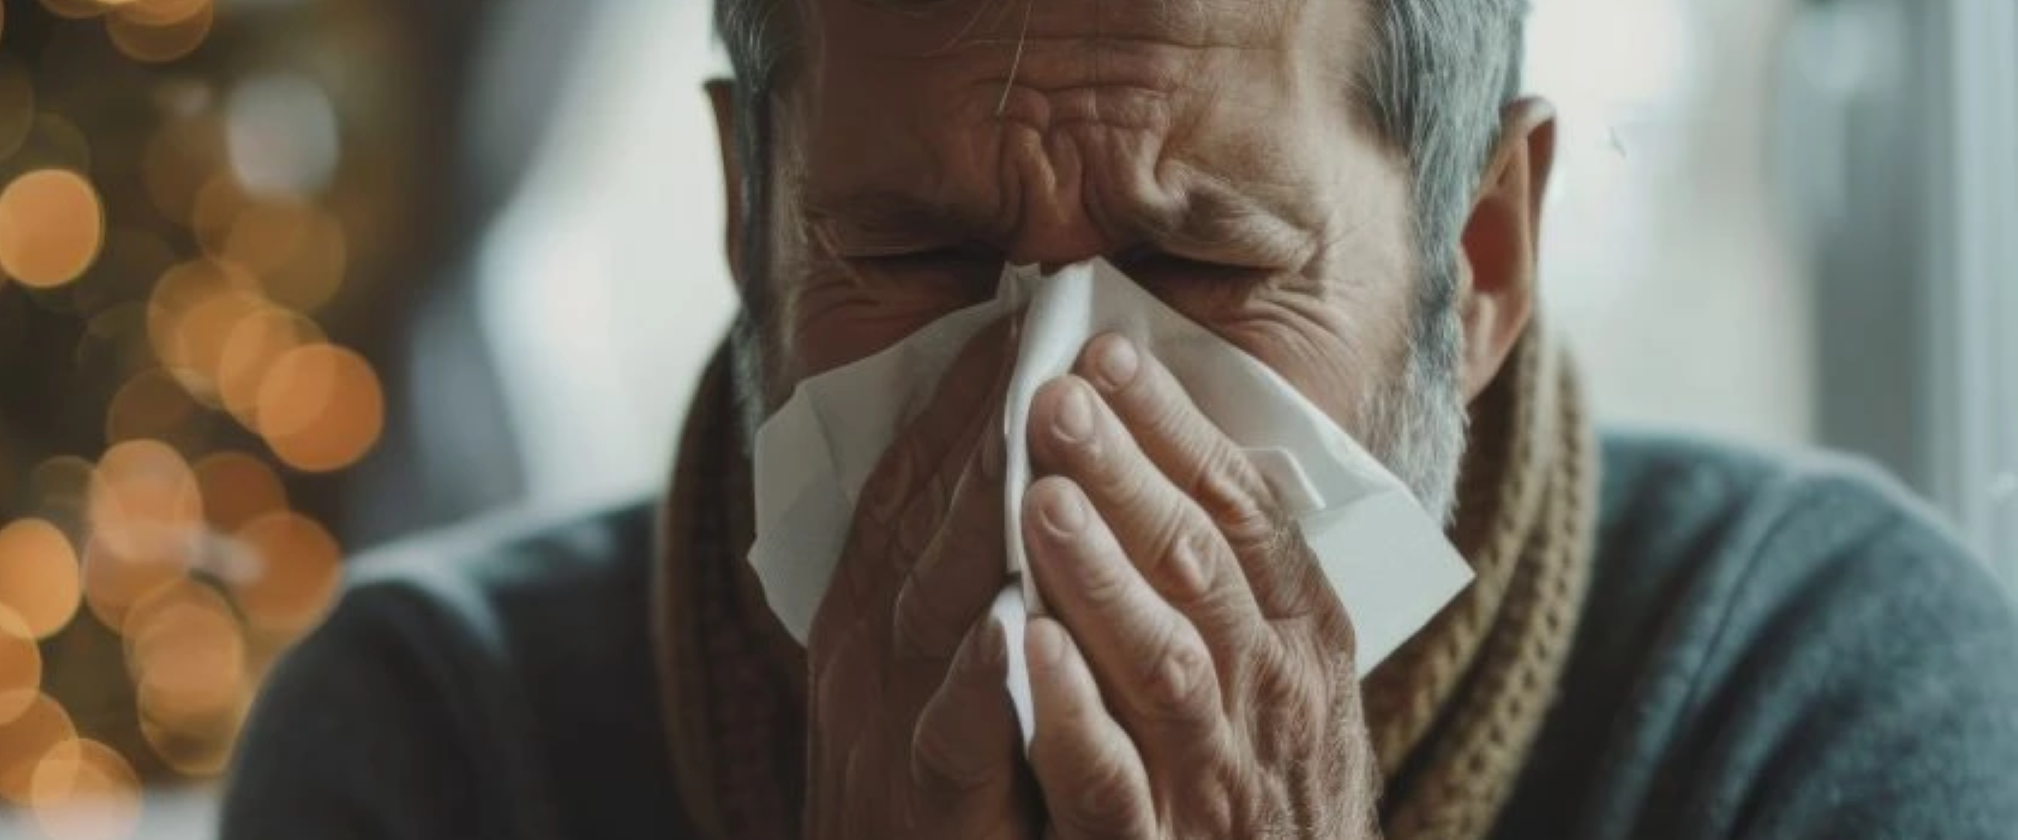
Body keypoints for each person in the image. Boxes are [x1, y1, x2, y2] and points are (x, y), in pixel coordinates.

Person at [219, 0, 2018, 836]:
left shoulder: (1817, 700)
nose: (1051, 407)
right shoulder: (435, 750)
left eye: (1202, 260)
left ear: (1478, 257)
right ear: (748, 220)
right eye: (915, 252)